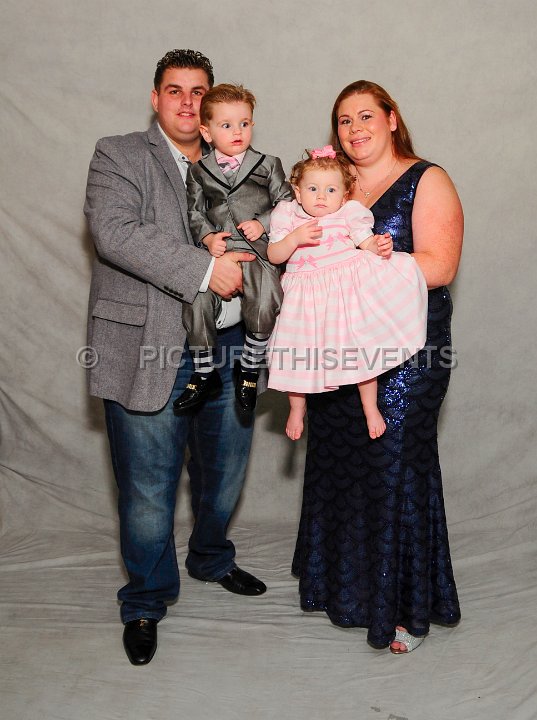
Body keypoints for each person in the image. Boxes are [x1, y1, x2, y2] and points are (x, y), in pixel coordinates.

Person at [84, 49, 266, 667]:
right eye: (174, 90)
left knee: (225, 472)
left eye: (198, 92)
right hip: (148, 346)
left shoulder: (241, 159)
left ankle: (211, 558)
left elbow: (280, 223)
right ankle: (145, 599)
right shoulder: (118, 155)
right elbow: (115, 233)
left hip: (232, 344)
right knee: (147, 489)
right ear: (155, 98)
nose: (187, 102)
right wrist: (206, 270)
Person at [291, 81, 463, 654]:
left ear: (392, 119)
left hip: (408, 351)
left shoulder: (426, 179)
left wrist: (361, 262)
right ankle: (343, 589)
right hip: (337, 350)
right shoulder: (330, 183)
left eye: (366, 116)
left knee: (396, 468)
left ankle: (405, 609)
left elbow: (440, 266)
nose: (355, 128)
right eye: (344, 120)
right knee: (341, 464)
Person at [266, 145, 428, 441]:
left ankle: (370, 408)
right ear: (298, 193)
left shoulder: (347, 214)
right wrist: (294, 238)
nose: (321, 197)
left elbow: (366, 242)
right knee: (297, 354)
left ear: (344, 197)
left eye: (331, 190)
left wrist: (379, 246)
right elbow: (275, 255)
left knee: (361, 350)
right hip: (304, 297)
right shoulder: (287, 216)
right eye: (312, 189)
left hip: (342, 296)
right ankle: (297, 408)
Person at [174, 83, 293, 414]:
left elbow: (288, 203)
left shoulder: (268, 164)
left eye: (244, 123)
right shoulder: (198, 171)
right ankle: (204, 372)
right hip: (218, 253)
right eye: (226, 125)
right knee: (196, 299)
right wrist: (207, 238)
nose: (237, 132)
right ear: (207, 132)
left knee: (267, 297)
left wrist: (264, 223)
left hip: (256, 249)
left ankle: (250, 367)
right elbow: (195, 211)